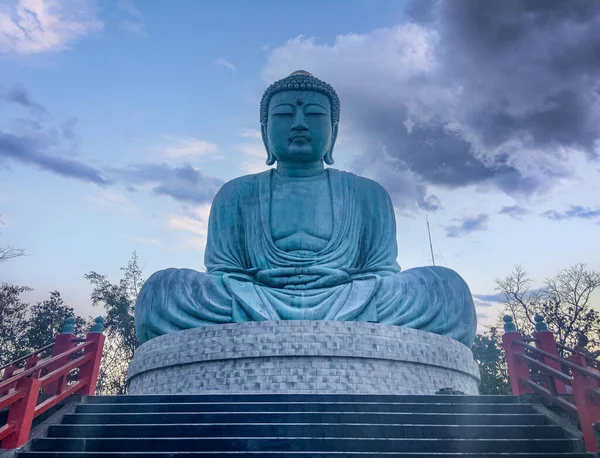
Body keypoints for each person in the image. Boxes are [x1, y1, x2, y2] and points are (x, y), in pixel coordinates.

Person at [135, 71, 477, 347]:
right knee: (161, 291)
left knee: (448, 291)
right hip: (254, 299)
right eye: (285, 114)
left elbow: (380, 272)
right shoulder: (235, 194)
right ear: (265, 132)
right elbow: (225, 273)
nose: (299, 123)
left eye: (313, 114)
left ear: (334, 131)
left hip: (350, 299)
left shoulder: (367, 194)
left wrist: (352, 296)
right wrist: (249, 296)